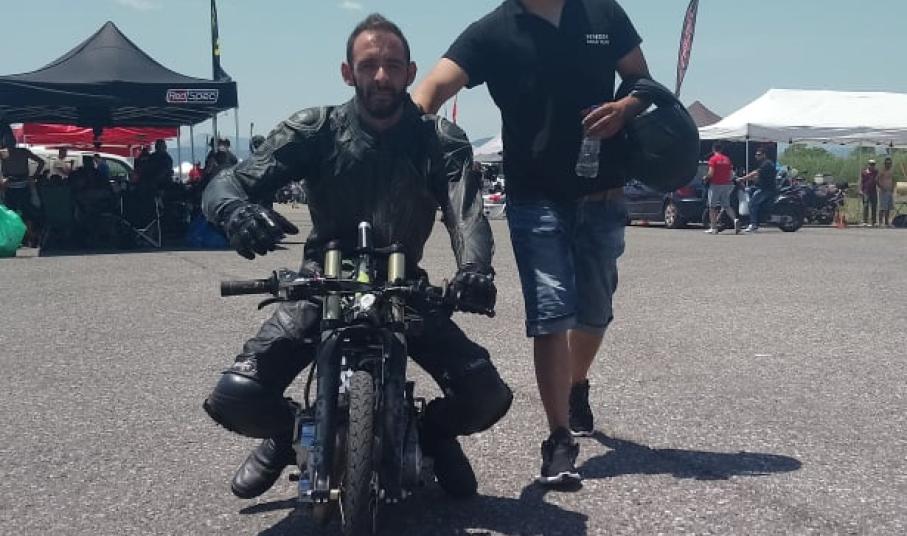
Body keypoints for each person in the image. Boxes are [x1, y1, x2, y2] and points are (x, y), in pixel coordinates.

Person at [201, 13, 512, 501]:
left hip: (404, 287)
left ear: (411, 72)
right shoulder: (315, 129)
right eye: (368, 65)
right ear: (348, 73)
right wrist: (234, 210)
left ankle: (433, 434)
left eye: (392, 65)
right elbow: (230, 180)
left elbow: (466, 213)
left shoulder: (439, 138)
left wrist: (474, 269)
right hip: (320, 283)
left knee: (485, 396)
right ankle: (287, 434)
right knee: (237, 396)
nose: (381, 76)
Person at [413, 0, 651, 486]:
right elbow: (431, 90)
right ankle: (559, 438)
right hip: (535, 198)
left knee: (594, 313)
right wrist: (398, 139)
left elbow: (641, 83)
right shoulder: (492, 31)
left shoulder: (603, 13)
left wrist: (624, 108)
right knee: (550, 314)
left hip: (602, 192)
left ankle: (576, 383)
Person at [0, 136, 45, 246]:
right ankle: (27, 237)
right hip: (23, 184)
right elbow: (41, 162)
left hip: (12, 186)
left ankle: (18, 237)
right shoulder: (22, 151)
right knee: (26, 213)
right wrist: (34, 176)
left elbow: (41, 162)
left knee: (12, 213)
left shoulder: (4, 153)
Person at [738, 148, 776, 232]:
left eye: (759, 155)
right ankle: (750, 220)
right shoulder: (764, 164)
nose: (756, 156)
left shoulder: (766, 164)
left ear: (764, 155)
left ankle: (753, 224)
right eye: (756, 155)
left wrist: (742, 179)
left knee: (752, 204)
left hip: (766, 189)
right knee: (748, 190)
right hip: (761, 187)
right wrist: (747, 179)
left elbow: (756, 173)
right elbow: (757, 177)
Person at [704, 141, 738, 234]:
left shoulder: (713, 159)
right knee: (727, 206)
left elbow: (711, 173)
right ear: (721, 149)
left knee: (712, 207)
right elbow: (731, 174)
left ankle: (713, 228)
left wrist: (705, 178)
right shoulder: (727, 159)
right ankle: (735, 220)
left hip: (715, 184)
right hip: (726, 185)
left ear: (713, 149)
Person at [877, 157, 894, 227]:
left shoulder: (890, 171)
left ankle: (886, 222)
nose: (888, 164)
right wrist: (881, 187)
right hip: (883, 191)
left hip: (889, 191)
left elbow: (891, 179)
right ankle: (880, 222)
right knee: (882, 207)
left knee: (888, 208)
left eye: (890, 163)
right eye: (887, 163)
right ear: (885, 164)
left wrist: (892, 188)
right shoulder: (882, 171)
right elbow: (876, 180)